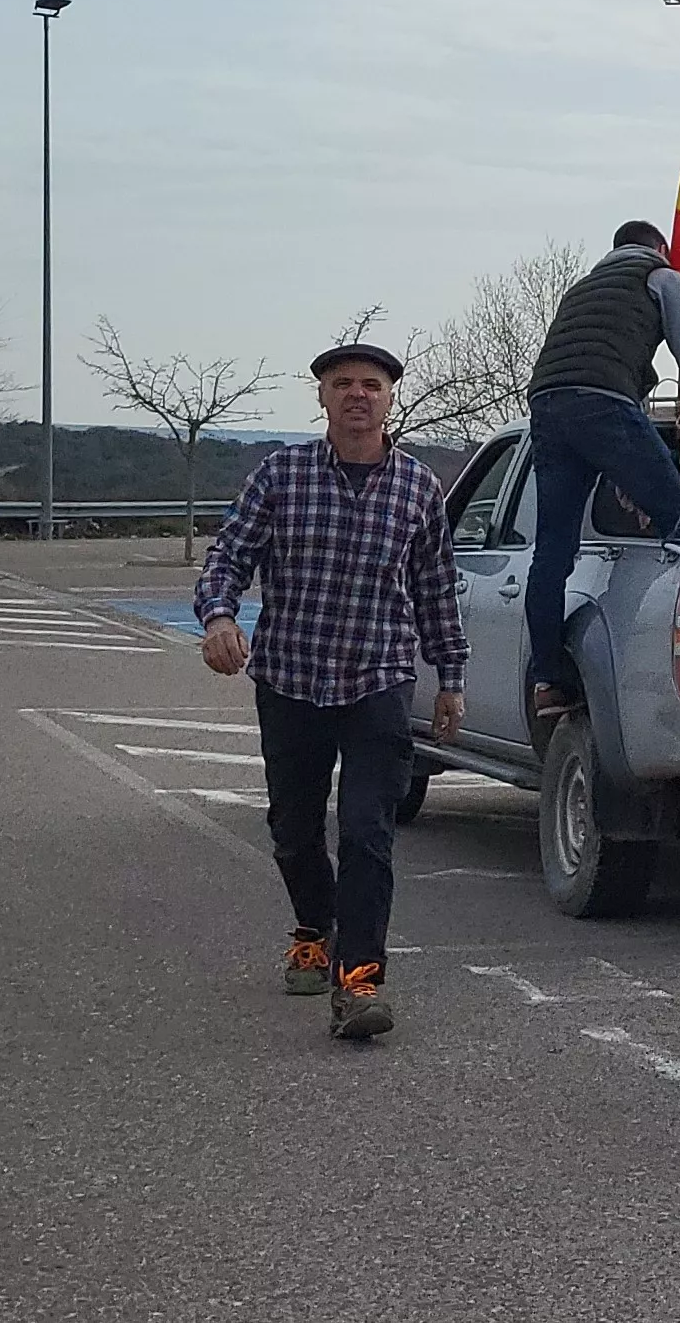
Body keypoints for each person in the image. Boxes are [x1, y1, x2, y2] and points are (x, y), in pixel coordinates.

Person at [194, 341, 467, 1041]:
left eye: (370, 385)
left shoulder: (417, 488)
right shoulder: (280, 476)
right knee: (294, 829)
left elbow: (435, 589)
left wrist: (451, 679)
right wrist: (220, 614)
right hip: (292, 677)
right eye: (342, 384)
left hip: (378, 679)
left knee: (369, 831)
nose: (357, 395)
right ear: (321, 398)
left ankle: (361, 979)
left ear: (389, 399)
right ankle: (314, 929)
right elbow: (229, 554)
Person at [523, 220, 680, 717]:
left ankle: (549, 680)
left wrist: (621, 472)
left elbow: (589, 374)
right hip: (603, 401)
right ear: (660, 248)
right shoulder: (663, 278)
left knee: (552, 552)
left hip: (546, 407)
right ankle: (668, 658)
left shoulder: (582, 290)